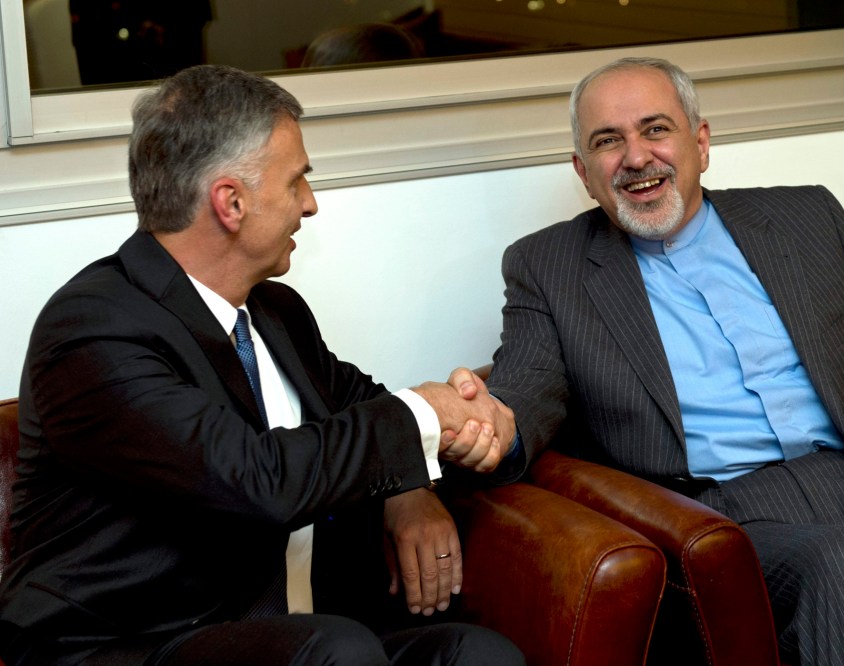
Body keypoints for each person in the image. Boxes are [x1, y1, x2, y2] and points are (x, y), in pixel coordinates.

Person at [0, 64, 523, 666]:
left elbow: (366, 410)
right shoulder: (93, 330)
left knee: (475, 653)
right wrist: (424, 416)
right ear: (232, 202)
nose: (311, 204)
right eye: (297, 180)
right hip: (130, 645)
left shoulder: (275, 312)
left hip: (303, 635)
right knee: (337, 651)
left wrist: (414, 483)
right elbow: (253, 479)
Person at [485, 56, 844, 665]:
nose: (636, 156)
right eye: (607, 141)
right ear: (584, 172)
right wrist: (485, 430)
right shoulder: (548, 267)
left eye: (656, 129)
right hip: (727, 519)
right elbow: (524, 391)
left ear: (700, 144)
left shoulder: (806, 216)